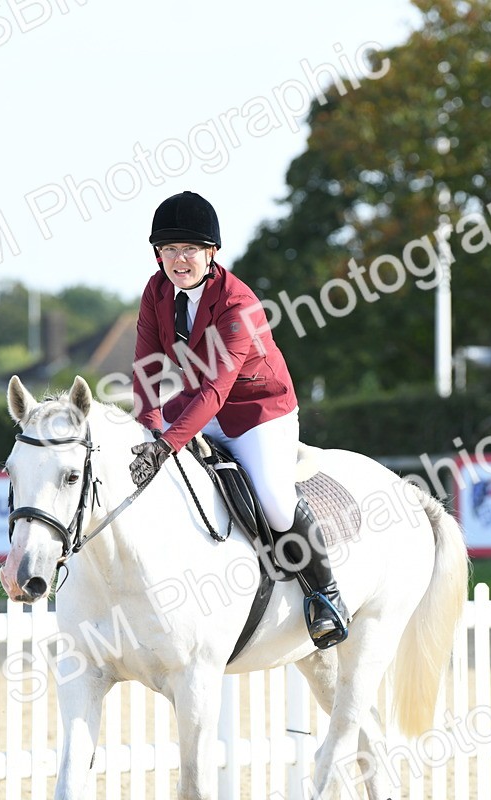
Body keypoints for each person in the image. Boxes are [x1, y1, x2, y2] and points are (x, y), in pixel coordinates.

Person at [127, 190, 350, 649]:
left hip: (257, 411)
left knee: (273, 499)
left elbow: (216, 390)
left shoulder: (236, 302)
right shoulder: (156, 291)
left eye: (189, 249)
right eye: (169, 250)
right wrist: (147, 428)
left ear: (211, 253)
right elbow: (148, 366)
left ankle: (325, 595)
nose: (178, 259)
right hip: (197, 403)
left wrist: (166, 445)